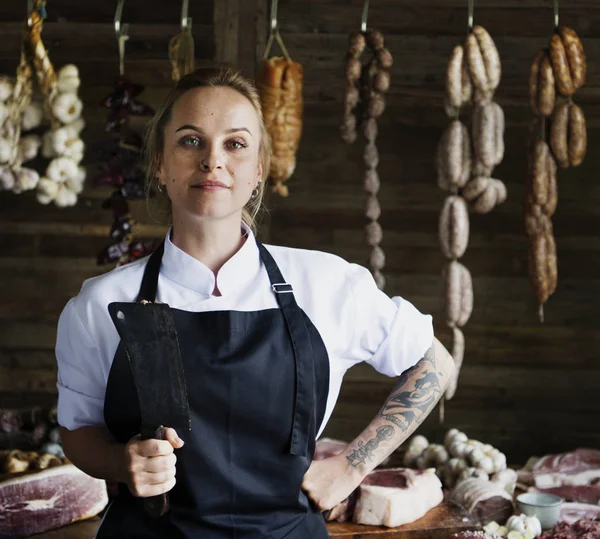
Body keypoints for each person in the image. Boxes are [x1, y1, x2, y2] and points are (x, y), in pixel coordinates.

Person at [55, 66, 454, 539]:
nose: (212, 161)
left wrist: (350, 466)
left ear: (259, 168)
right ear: (160, 163)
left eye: (235, 144)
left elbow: (434, 364)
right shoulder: (98, 304)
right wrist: (121, 461)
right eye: (189, 140)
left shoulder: (326, 283)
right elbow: (77, 433)